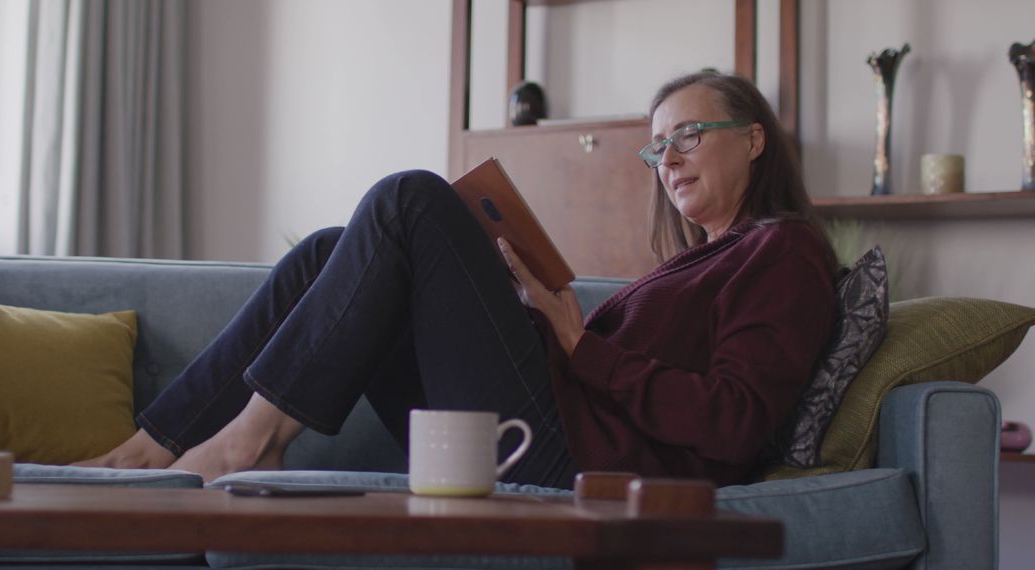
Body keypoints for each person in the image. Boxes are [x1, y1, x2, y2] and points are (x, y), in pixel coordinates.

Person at [76, 71, 838, 488]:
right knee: (326, 252)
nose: (667, 159)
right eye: (656, 149)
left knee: (411, 199)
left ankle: (246, 443)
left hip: (568, 463)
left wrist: (579, 343)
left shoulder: (784, 255)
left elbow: (736, 421)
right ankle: (148, 449)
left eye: (688, 137)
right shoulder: (699, 261)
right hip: (546, 423)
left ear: (755, 140)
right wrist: (534, 316)